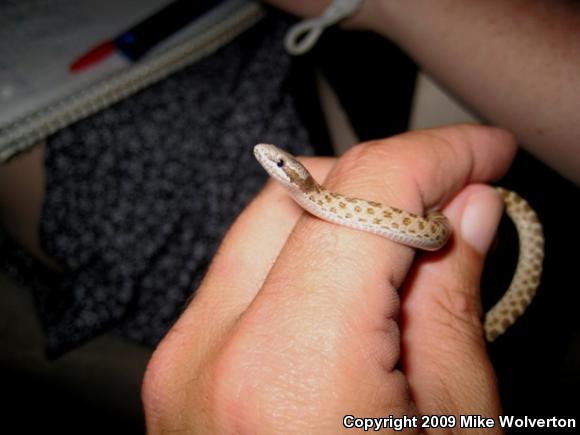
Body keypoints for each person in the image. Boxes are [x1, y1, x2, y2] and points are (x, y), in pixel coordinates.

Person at [142, 124, 514, 432]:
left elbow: (432, 231)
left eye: (281, 162)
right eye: (278, 161)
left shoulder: (320, 196)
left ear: (296, 173)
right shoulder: (311, 196)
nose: (269, 159)